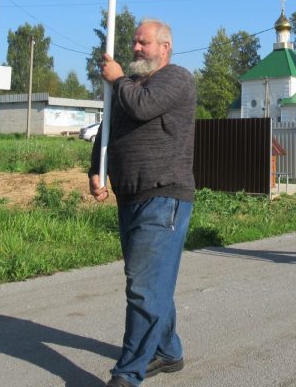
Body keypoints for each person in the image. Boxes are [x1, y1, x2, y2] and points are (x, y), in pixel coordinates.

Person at [89, 19, 196, 387]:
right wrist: (96, 169)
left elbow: (142, 108)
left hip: (163, 195)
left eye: (143, 42)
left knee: (144, 287)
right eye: (134, 42)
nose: (135, 48)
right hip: (129, 197)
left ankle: (128, 373)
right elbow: (108, 128)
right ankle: (167, 350)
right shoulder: (128, 87)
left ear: (164, 47)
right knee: (152, 284)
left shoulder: (176, 78)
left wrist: (117, 80)